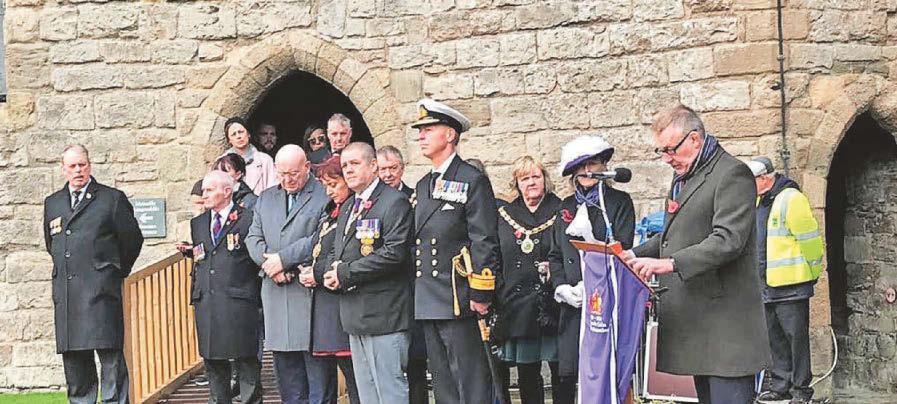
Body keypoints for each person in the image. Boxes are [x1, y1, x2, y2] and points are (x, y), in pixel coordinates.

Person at [625, 104, 770, 404]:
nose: (667, 159)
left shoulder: (732, 174)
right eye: (661, 151)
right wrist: (630, 255)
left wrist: (669, 264)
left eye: (671, 150)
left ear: (694, 139)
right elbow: (672, 235)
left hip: (726, 332)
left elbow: (728, 240)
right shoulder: (685, 176)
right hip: (700, 328)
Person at [411, 98, 500, 404]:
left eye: (429, 129)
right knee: (443, 384)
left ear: (449, 135)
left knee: (470, 382)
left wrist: (481, 293)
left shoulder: (471, 179)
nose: (421, 135)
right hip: (428, 296)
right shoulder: (423, 184)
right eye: (420, 130)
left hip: (458, 295)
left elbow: (483, 239)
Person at [43, 145, 144, 404]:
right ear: (63, 169)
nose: (78, 170)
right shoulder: (53, 203)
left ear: (89, 166)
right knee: (76, 363)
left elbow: (132, 240)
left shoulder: (111, 199)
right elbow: (52, 244)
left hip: (101, 292)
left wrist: (112, 271)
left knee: (110, 358)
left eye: (82, 165)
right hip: (68, 295)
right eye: (72, 166)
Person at [323, 142, 414, 404]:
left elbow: (394, 253)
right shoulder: (349, 206)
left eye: (355, 163)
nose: (348, 170)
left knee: (389, 391)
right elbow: (337, 249)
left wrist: (346, 272)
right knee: (367, 394)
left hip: (384, 313)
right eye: (345, 166)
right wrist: (331, 271)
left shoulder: (393, 201)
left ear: (373, 165)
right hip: (355, 313)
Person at [547, 136, 635, 404]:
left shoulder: (618, 202)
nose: (587, 170)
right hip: (573, 304)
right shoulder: (565, 206)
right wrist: (561, 287)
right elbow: (555, 254)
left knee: (603, 370)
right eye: (581, 165)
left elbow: (623, 248)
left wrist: (594, 282)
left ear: (604, 166)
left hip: (604, 301)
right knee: (568, 373)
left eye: (593, 163)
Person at [245, 145, 333, 404]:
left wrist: (283, 261)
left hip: (309, 297)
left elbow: (320, 237)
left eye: (293, 173)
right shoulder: (266, 198)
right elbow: (253, 238)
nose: (287, 179)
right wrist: (270, 266)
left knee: (319, 384)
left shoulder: (323, 194)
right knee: (289, 383)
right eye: (282, 174)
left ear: (307, 167)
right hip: (276, 296)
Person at [177, 171, 263, 404]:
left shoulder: (248, 218)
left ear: (227, 191)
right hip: (207, 299)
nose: (204, 195)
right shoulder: (198, 223)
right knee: (213, 361)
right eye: (204, 190)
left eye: (209, 190)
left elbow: (253, 256)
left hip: (238, 299)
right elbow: (204, 254)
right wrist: (190, 252)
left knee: (245, 359)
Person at [749, 157, 823, 404]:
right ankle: (781, 386)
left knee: (796, 341)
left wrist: (812, 272)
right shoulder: (759, 200)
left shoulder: (791, 198)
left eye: (751, 181)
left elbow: (811, 240)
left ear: (764, 178)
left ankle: (801, 390)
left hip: (792, 285)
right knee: (775, 340)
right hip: (766, 285)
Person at [496, 156, 563, 404]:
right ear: (517, 183)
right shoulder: (505, 214)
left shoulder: (562, 211)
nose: (531, 183)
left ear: (545, 180)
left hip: (554, 304)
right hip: (518, 305)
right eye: (525, 178)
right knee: (527, 371)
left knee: (561, 371)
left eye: (536, 177)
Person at [296, 156, 361, 404]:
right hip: (325, 302)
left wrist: (316, 273)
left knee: (355, 378)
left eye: (334, 184)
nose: (329, 191)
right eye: (325, 185)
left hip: (342, 302)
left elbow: (344, 254)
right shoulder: (330, 212)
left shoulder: (353, 211)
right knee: (327, 380)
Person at [376, 145, 428, 404]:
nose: (388, 174)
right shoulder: (371, 203)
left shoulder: (415, 199)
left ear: (402, 169)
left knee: (415, 359)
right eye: (383, 169)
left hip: (411, 285)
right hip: (383, 291)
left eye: (392, 168)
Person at [224, 117, 277, 195]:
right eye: (234, 134)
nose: (238, 136)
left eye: (241, 132)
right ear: (229, 140)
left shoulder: (265, 160)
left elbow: (273, 190)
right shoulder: (221, 163)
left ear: (248, 134)